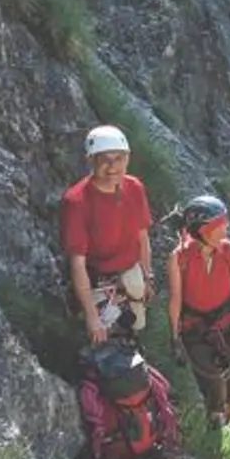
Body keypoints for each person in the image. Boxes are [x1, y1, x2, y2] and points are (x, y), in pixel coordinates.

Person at [60, 125, 153, 345]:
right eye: (105, 160)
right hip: (97, 281)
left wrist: (148, 276)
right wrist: (92, 317)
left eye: (119, 159)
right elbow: (78, 264)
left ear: (127, 159)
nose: (113, 167)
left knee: (133, 330)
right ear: (91, 161)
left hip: (131, 274)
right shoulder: (76, 201)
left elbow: (142, 237)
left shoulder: (134, 188)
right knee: (105, 341)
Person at [167, 195, 230, 426]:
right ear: (201, 230)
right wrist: (175, 336)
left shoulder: (229, 250)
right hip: (195, 325)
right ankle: (215, 416)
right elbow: (176, 299)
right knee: (211, 376)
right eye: (219, 225)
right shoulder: (179, 258)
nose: (225, 228)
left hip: (227, 319)